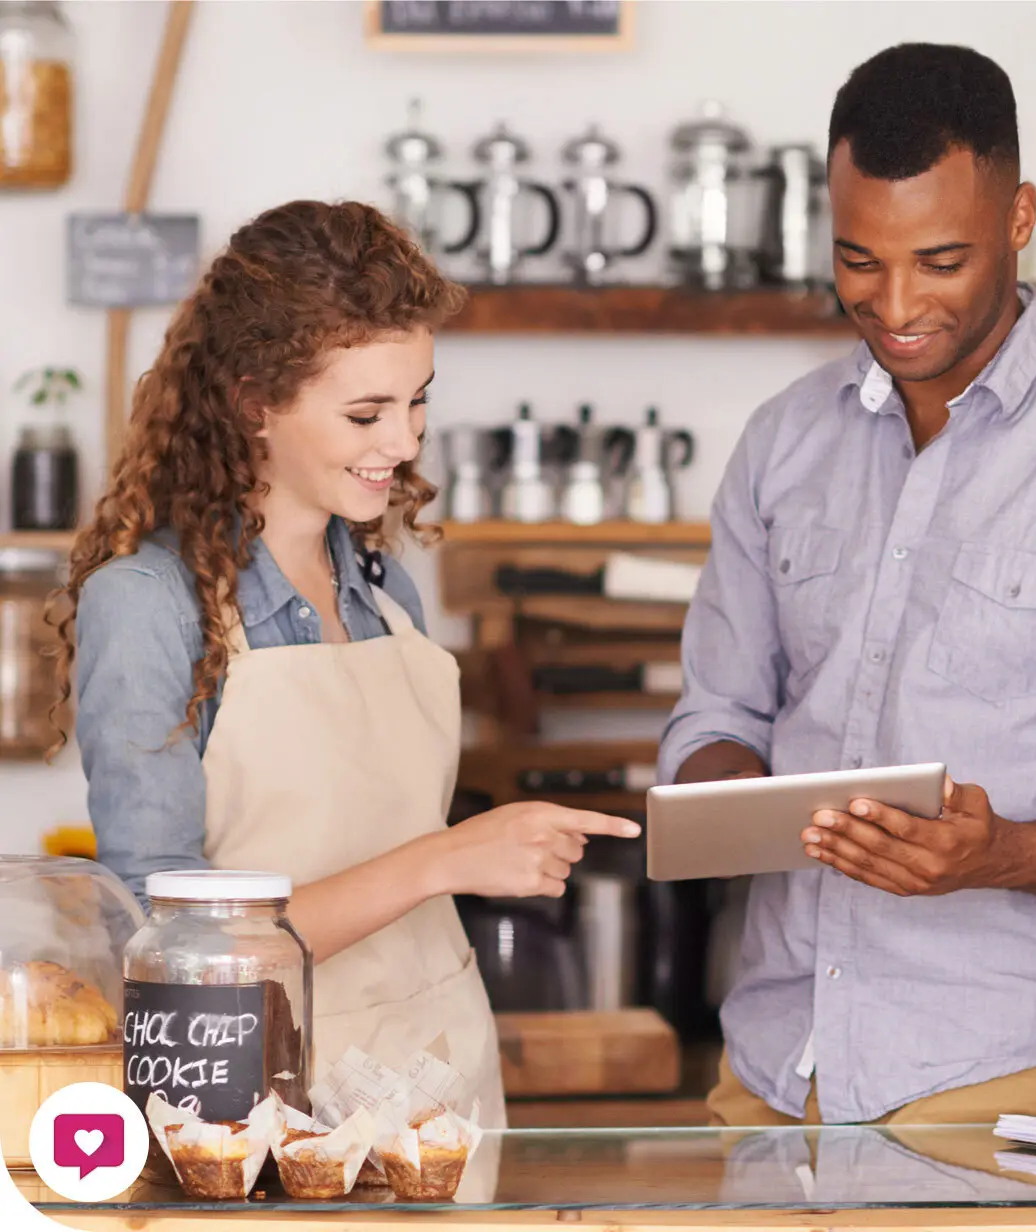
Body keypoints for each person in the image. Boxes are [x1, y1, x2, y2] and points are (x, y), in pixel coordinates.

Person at [659, 43, 1036, 1128]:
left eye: (941, 260)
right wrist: (738, 800)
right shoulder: (781, 444)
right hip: (768, 1078)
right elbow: (717, 714)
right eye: (857, 260)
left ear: (1020, 216)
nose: (895, 305)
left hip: (1015, 1090)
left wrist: (1005, 853)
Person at [56, 199, 641, 1133]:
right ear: (254, 402)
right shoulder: (149, 603)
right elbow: (164, 953)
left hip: (441, 1083)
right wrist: (444, 859)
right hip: (259, 1112)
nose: (405, 443)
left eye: (417, 401)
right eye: (366, 412)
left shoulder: (383, 591)